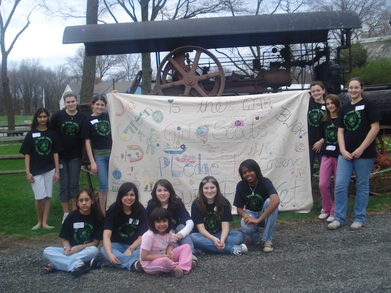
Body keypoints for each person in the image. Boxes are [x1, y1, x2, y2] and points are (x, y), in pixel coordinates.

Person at [328, 77, 381, 230]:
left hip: (364, 153)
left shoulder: (369, 105)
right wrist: (343, 150)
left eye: (356, 87)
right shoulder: (345, 108)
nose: (353, 90)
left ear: (362, 88)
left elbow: (375, 128)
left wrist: (361, 148)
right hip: (345, 153)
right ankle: (339, 217)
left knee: (362, 185)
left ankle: (359, 218)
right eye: (351, 88)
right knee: (340, 185)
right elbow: (340, 130)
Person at [43, 188, 103, 276]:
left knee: (95, 251)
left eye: (87, 200)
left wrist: (79, 247)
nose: (84, 203)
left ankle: (56, 264)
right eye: (81, 200)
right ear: (77, 203)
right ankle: (78, 264)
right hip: (71, 250)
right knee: (47, 250)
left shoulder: (97, 218)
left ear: (92, 201)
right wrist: (67, 248)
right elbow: (64, 238)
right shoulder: (71, 216)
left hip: (86, 251)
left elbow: (95, 243)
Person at [19, 107, 62, 230]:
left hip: (50, 169)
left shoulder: (52, 134)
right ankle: (39, 222)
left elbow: (55, 153)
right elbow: (26, 154)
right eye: (40, 117)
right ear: (36, 118)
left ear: (47, 118)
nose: (42, 119)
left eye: (44, 116)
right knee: (39, 197)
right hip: (35, 170)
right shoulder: (31, 134)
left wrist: (57, 171)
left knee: (48, 196)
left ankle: (45, 222)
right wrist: (28, 172)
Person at [50, 91, 85, 223]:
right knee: (63, 184)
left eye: (73, 101)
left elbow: (84, 139)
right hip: (61, 156)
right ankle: (66, 214)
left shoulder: (82, 117)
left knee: (74, 185)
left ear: (77, 101)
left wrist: (82, 154)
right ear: (64, 104)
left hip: (75, 156)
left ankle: (75, 212)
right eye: (68, 102)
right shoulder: (57, 116)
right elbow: (51, 133)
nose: (71, 104)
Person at [190, 176, 247, 255]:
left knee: (239, 235)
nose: (209, 191)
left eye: (212, 187)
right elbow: (201, 229)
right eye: (206, 188)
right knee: (193, 237)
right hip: (203, 236)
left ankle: (206, 249)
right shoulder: (196, 204)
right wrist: (213, 239)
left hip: (219, 234)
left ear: (217, 188)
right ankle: (232, 249)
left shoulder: (224, 203)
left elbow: (225, 226)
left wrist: (222, 240)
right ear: (201, 190)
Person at [234, 159, 279, 252]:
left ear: (256, 170)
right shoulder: (241, 185)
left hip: (265, 214)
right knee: (245, 226)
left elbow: (276, 200)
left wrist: (259, 219)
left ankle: (268, 240)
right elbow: (239, 209)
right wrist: (246, 216)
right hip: (251, 213)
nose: (247, 174)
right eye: (244, 172)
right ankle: (255, 237)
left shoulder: (265, 182)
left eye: (250, 171)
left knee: (269, 202)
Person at [146, 179, 197, 262]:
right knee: (170, 230)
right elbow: (148, 226)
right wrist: (170, 235)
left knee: (181, 226)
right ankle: (178, 255)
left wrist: (181, 234)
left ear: (170, 192)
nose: (162, 193)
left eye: (165, 190)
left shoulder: (177, 203)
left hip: (177, 233)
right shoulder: (151, 206)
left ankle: (191, 254)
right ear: (155, 192)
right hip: (161, 235)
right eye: (159, 190)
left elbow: (190, 222)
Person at [101, 182, 147, 271]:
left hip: (135, 246)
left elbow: (142, 237)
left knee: (144, 250)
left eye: (132, 195)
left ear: (136, 196)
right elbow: (106, 235)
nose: (129, 198)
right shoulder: (113, 209)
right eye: (125, 195)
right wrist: (110, 254)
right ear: (120, 196)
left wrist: (130, 248)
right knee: (104, 250)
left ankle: (117, 262)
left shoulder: (141, 210)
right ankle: (134, 264)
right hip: (117, 245)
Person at [140, 207, 193, 278]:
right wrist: (161, 256)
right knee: (164, 261)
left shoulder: (168, 233)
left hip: (164, 256)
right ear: (153, 223)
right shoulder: (149, 236)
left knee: (186, 247)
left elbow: (170, 245)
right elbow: (144, 257)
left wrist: (169, 251)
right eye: (158, 222)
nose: (162, 224)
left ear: (169, 221)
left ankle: (181, 268)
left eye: (164, 221)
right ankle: (181, 265)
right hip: (150, 263)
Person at [82, 95, 112, 215]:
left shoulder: (107, 117)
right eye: (97, 104)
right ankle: (102, 213)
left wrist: (113, 94)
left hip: (112, 155)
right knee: (104, 186)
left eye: (102, 105)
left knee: (114, 185)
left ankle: (111, 210)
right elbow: (87, 142)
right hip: (99, 157)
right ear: (92, 105)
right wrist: (92, 162)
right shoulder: (88, 121)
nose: (100, 107)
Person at [318, 94, 341, 222]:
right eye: (328, 104)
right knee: (323, 184)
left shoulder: (342, 119)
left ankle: (334, 210)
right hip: (326, 154)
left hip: (339, 156)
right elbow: (323, 136)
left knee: (338, 184)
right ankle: (326, 209)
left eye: (332, 103)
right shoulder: (324, 121)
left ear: (337, 104)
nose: (330, 106)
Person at [308, 81, 327, 180]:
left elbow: (332, 125)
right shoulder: (307, 105)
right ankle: (308, 194)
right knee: (308, 172)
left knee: (325, 172)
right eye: (313, 91)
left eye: (318, 90)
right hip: (308, 143)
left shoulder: (329, 105)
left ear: (323, 90)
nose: (316, 93)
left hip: (323, 143)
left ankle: (328, 194)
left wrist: (322, 140)